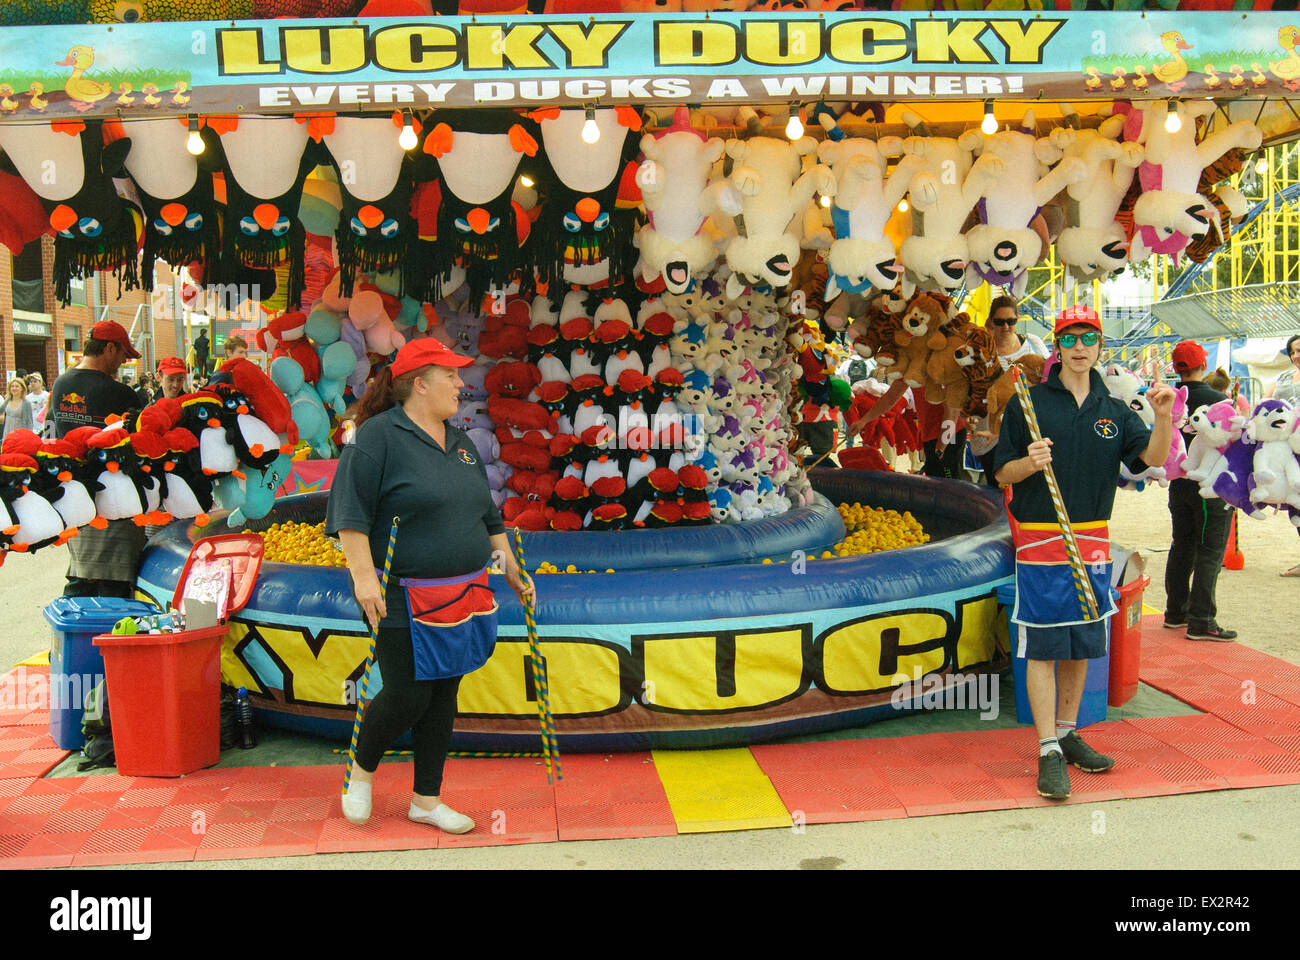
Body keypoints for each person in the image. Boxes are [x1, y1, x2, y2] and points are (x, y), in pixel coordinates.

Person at [326, 339, 533, 834]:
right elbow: (349, 512)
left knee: (443, 695)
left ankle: (426, 799)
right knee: (409, 695)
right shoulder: (376, 437)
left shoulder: (461, 443)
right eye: (452, 377)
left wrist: (509, 569)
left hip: (465, 592)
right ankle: (360, 772)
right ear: (420, 384)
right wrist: (363, 579)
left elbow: (486, 518)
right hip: (399, 591)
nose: (462, 385)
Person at [994, 305, 1175, 800]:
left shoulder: (1114, 411)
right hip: (1040, 538)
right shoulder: (1028, 403)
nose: (1079, 347)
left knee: (1079, 645)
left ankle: (1069, 732)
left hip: (1093, 540)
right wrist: (1027, 465)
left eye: (1088, 338)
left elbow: (1151, 461)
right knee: (1045, 644)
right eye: (1070, 338)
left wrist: (1162, 419)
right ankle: (1047, 746)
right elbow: (1000, 473)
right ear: (1058, 346)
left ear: (1099, 347)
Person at [48, 320, 145, 598]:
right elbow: (140, 444)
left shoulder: (60, 384)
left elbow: (50, 437)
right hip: (115, 499)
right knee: (113, 585)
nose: (123, 362)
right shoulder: (121, 394)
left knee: (81, 575)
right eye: (123, 355)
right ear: (109, 348)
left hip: (73, 497)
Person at [1162, 342, 1237, 641]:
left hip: (1179, 482)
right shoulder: (1220, 402)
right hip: (1211, 487)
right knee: (1209, 551)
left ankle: (1176, 611)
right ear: (1202, 365)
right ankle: (1202, 620)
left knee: (1182, 545)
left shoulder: (1170, 399)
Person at [971, 295, 1052, 486]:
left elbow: (1050, 378)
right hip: (990, 437)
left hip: (1029, 431)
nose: (1006, 327)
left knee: (1028, 490)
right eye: (1000, 322)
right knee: (998, 492)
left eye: (1011, 321)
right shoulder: (980, 352)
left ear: (1017, 320)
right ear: (991, 321)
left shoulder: (1033, 343)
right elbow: (969, 391)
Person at [1264, 335, 1300, 576]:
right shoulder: (1283, 377)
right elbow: (1266, 400)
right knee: (1295, 506)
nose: (1296, 355)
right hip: (1287, 449)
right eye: (1293, 352)